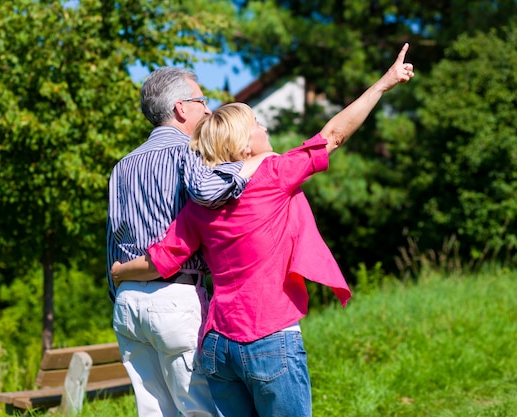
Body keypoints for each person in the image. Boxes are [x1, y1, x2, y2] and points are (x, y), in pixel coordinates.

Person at [111, 44, 415, 417]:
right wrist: (382, 85)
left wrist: (121, 271)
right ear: (242, 144)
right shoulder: (274, 175)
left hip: (219, 344)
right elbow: (333, 135)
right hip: (269, 334)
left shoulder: (197, 207)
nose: (265, 126)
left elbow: (163, 256)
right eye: (256, 124)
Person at [106, 66, 270, 417]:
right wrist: (253, 164)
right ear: (181, 108)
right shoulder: (188, 152)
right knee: (201, 409)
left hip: (127, 301)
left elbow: (112, 240)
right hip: (175, 296)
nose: (209, 110)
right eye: (202, 102)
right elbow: (209, 193)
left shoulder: (122, 165)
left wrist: (118, 292)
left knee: (153, 412)